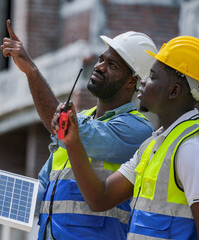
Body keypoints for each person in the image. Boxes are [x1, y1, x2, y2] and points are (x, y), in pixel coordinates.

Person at [0, 20, 157, 239]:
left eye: (112, 65)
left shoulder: (137, 130)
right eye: (101, 59)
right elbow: (42, 194)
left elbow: (74, 133)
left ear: (131, 82)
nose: (99, 67)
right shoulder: (79, 122)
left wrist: (31, 71)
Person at [52, 36, 199, 239]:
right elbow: (100, 199)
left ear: (173, 91)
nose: (143, 81)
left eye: (153, 77)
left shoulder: (191, 148)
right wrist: (73, 142)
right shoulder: (151, 146)